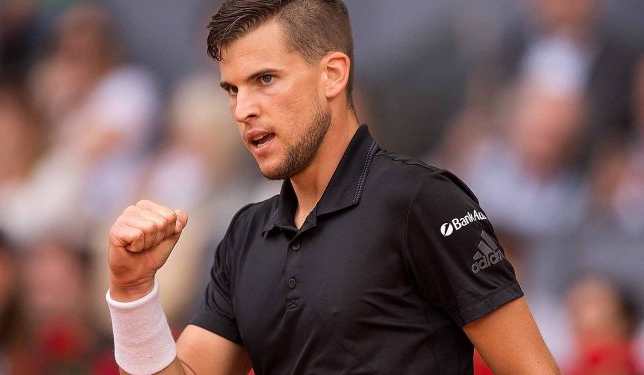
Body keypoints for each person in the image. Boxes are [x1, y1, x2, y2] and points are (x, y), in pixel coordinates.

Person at [105, 1, 561, 374]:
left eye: (265, 79)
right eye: (232, 90)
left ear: (333, 75)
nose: (243, 109)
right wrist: (133, 292)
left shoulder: (423, 201)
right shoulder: (244, 234)